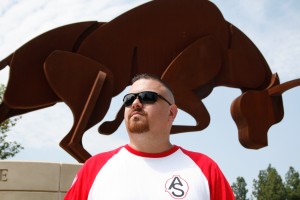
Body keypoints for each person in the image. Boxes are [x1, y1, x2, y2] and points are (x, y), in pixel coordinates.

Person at [64, 73, 235, 200]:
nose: (136, 103)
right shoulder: (93, 168)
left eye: (147, 97)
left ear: (171, 112)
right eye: (129, 99)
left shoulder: (205, 169)